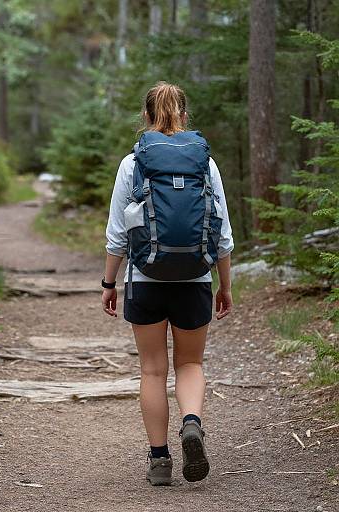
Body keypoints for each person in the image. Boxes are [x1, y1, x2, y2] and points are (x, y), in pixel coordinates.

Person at [101, 81, 234, 486]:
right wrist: (223, 285)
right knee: (191, 363)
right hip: (195, 277)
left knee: (153, 370)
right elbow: (223, 234)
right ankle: (191, 422)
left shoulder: (133, 163)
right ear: (184, 115)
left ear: (146, 116)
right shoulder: (205, 164)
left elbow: (118, 234)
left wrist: (110, 281)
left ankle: (159, 459)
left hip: (145, 276)